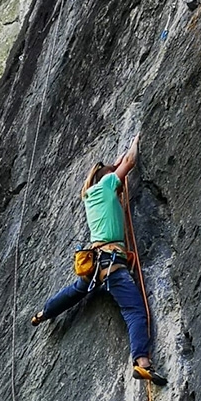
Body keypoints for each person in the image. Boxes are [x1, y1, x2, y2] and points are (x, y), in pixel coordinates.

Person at [31, 135, 167, 386]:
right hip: (112, 266)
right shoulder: (106, 186)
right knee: (134, 310)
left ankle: (44, 312)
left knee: (76, 291)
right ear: (105, 177)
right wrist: (138, 139)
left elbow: (116, 167)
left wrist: (113, 169)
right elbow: (128, 161)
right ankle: (142, 363)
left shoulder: (91, 195)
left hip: (95, 264)